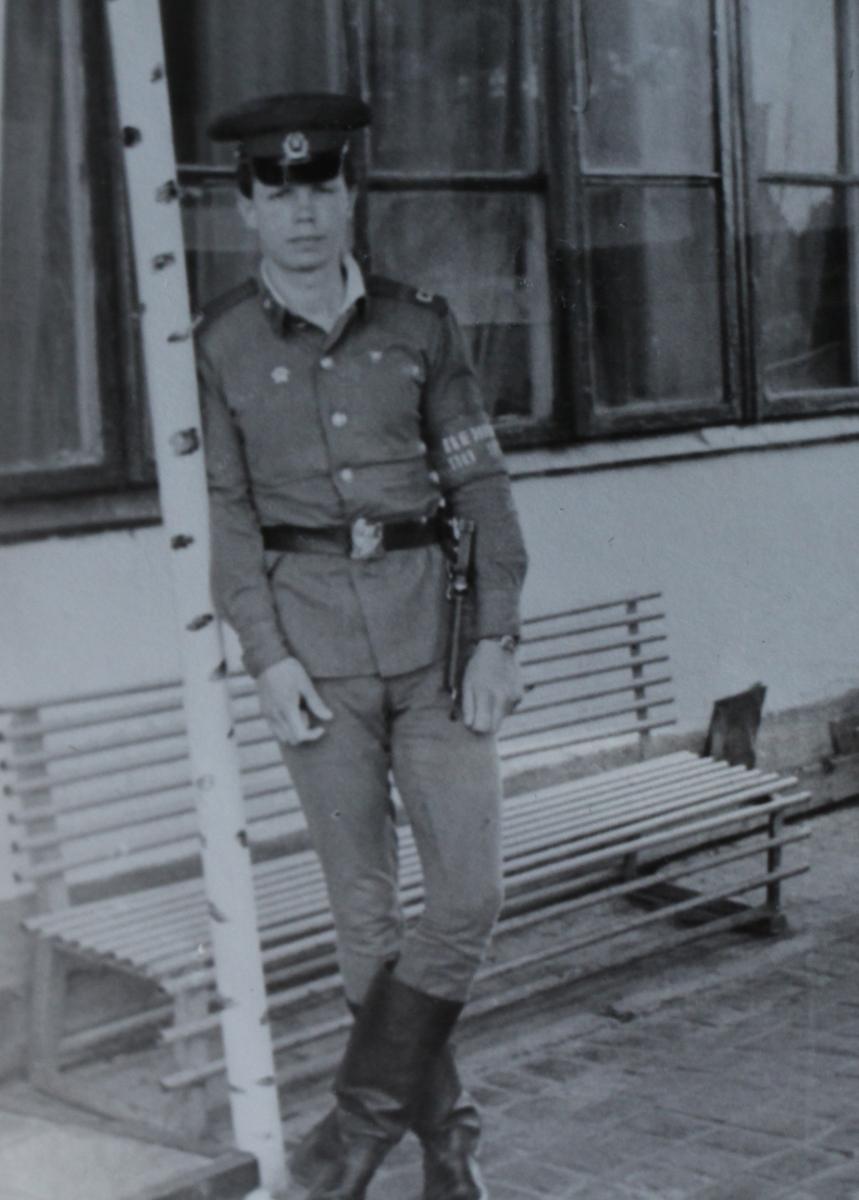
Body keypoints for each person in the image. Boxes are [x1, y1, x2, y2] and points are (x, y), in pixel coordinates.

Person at [198, 91, 528, 1200]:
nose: (302, 212)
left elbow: (482, 490)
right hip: (315, 662)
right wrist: (267, 656)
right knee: (366, 920)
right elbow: (226, 519)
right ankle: (448, 1144)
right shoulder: (219, 346)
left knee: (468, 898)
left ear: (350, 197)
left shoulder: (420, 325)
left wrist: (495, 640)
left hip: (438, 650)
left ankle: (349, 1141)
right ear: (246, 208)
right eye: (278, 191)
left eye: (322, 187)